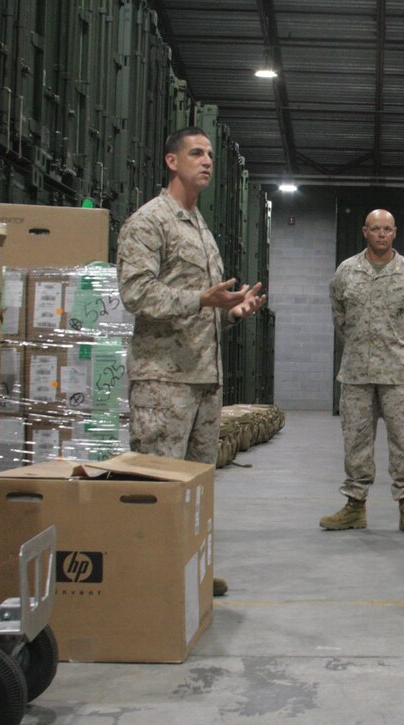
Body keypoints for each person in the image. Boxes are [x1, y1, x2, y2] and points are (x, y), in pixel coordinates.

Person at [118, 126, 267, 598]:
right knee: (159, 484)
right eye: (196, 153)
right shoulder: (149, 222)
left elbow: (202, 309)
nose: (206, 161)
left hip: (203, 378)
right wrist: (201, 299)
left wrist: (232, 311)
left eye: (209, 155)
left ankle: (191, 572)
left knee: (200, 487)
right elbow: (136, 293)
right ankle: (148, 584)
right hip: (164, 380)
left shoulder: (201, 229)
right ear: (172, 162)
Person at [320, 209, 404, 535]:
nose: (381, 234)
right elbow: (340, 317)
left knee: (402, 443)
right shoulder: (346, 272)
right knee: (355, 442)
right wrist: (359, 346)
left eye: (387, 229)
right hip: (356, 372)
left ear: (395, 232)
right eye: (375, 229)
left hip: (398, 373)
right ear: (364, 232)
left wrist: (400, 348)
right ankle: (355, 506)